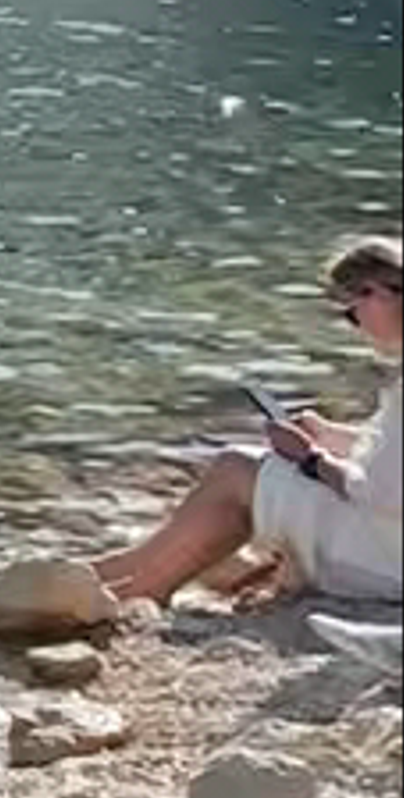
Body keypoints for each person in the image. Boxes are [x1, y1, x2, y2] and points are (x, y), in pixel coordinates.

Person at [96, 239, 404, 613]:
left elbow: (382, 495)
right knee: (248, 472)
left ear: (382, 293)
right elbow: (391, 458)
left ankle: (138, 582)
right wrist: (330, 435)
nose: (356, 326)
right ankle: (139, 576)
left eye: (353, 312)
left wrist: (310, 458)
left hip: (386, 560)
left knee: (237, 470)